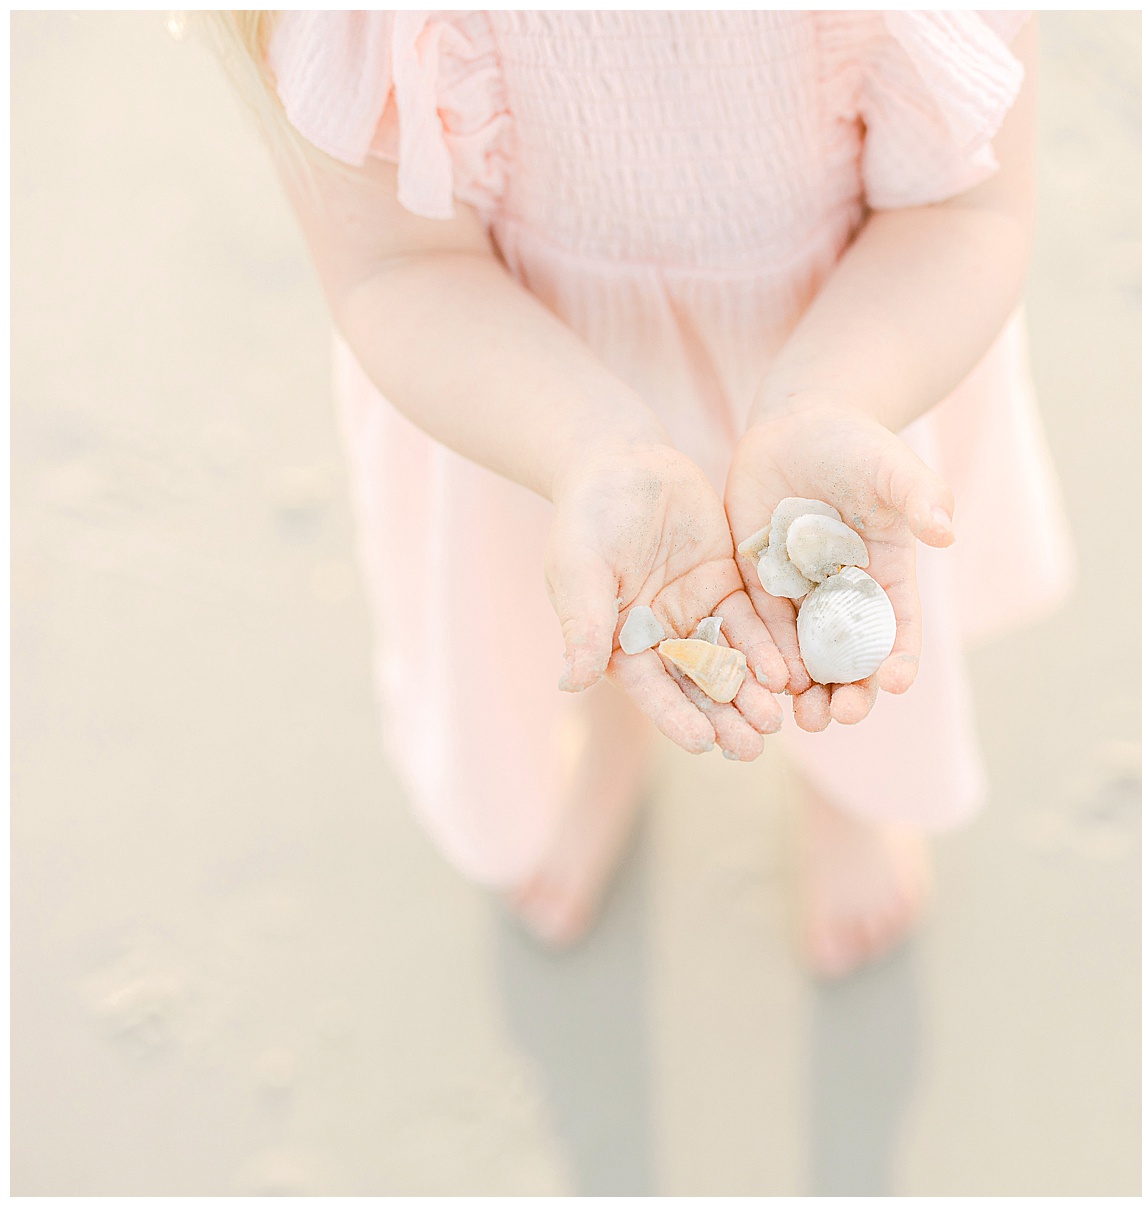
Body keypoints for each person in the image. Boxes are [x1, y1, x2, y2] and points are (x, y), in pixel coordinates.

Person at [210, 11, 1074, 977]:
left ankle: (844, 791)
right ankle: (614, 732)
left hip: (852, 351)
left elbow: (962, 212)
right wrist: (589, 449)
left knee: (838, 661)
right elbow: (397, 264)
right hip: (528, 400)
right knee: (606, 614)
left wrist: (834, 398)